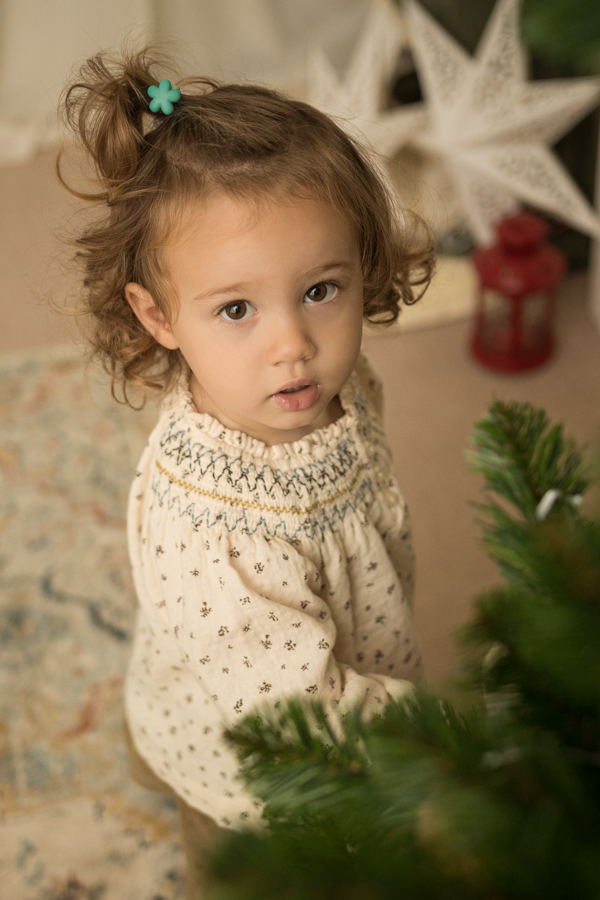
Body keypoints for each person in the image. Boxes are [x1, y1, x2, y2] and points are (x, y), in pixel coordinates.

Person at [58, 46, 434, 899]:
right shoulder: (216, 529)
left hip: (322, 658)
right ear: (158, 316)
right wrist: (441, 734)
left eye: (321, 289)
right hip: (257, 774)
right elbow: (295, 719)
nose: (292, 345)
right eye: (236, 308)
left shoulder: (332, 384)